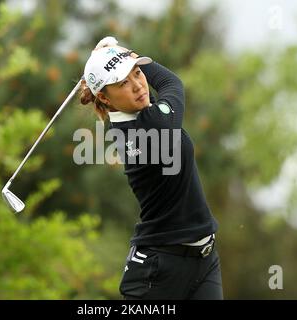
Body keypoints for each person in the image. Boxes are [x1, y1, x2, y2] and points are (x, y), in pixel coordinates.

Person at [79, 36, 223, 300]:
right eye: (123, 83)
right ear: (105, 98)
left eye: (137, 73)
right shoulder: (147, 128)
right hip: (158, 272)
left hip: (203, 260)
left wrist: (122, 57)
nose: (138, 86)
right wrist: (125, 51)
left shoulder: (137, 118)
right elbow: (171, 83)